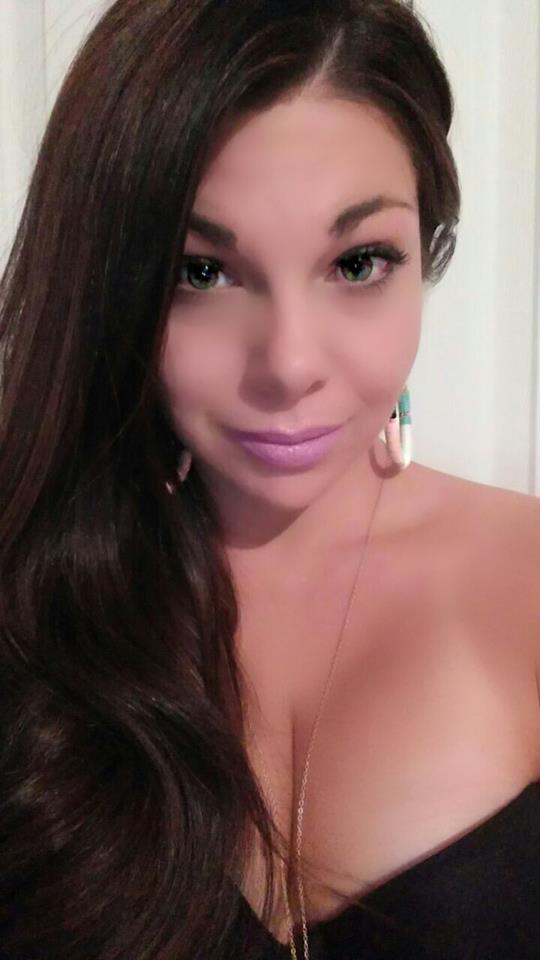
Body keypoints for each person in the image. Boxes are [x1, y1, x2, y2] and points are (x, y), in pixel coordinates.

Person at [1, 1, 539, 958]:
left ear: (427, 252)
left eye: (358, 262)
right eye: (202, 273)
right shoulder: (34, 601)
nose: (289, 364)